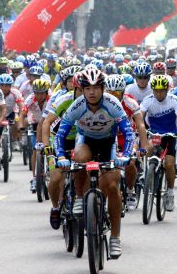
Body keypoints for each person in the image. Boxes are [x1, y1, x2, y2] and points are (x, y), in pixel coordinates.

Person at [55, 68, 135, 259]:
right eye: (87, 88)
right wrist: (60, 157)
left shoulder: (112, 103)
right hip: (86, 141)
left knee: (112, 186)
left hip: (109, 143)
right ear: (82, 90)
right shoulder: (77, 105)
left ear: (103, 88)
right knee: (80, 158)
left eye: (96, 88)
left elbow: (129, 133)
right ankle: (81, 197)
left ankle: (115, 238)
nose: (92, 92)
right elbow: (60, 134)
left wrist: (125, 155)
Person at [42, 72, 83, 230]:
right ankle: (55, 207)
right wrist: (46, 146)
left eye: (85, 90)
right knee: (55, 178)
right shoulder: (63, 100)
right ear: (73, 88)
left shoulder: (92, 102)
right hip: (59, 139)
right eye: (79, 90)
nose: (82, 94)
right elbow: (46, 123)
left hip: (80, 141)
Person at [140, 75, 177, 211]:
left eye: (162, 90)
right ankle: (146, 173)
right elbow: (140, 117)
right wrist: (138, 128)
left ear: (167, 90)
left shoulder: (174, 100)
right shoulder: (148, 100)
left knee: (169, 164)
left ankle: (170, 193)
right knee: (147, 149)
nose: (159, 93)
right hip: (154, 134)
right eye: (156, 90)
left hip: (170, 135)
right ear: (152, 90)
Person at [105, 74, 148, 210]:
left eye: (117, 93)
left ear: (123, 92)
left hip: (127, 137)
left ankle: (130, 190)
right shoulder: (102, 102)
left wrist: (144, 146)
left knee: (130, 162)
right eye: (110, 93)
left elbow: (141, 125)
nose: (114, 96)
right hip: (109, 137)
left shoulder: (130, 102)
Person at [19, 79, 51, 192]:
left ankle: (50, 170)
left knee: (50, 148)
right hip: (35, 123)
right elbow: (22, 114)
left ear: (47, 92)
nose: (39, 95)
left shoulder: (52, 98)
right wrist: (21, 125)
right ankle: (34, 178)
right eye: (37, 93)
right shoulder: (30, 99)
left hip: (49, 124)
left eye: (42, 93)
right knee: (35, 150)